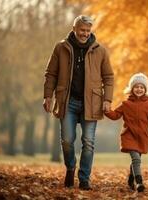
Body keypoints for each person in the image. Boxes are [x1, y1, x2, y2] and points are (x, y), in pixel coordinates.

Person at [43, 15, 114, 190]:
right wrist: (48, 96)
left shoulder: (100, 50)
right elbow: (51, 73)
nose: (85, 34)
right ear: (74, 28)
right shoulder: (61, 48)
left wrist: (107, 100)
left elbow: (109, 77)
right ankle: (70, 167)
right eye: (82, 30)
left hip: (92, 102)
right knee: (67, 140)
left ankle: (84, 179)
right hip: (68, 101)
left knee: (88, 142)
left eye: (88, 31)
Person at [104, 73, 148, 192]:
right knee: (136, 159)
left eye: (142, 87)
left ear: (145, 90)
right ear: (131, 88)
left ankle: (131, 179)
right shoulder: (126, 104)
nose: (139, 89)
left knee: (136, 160)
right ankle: (139, 182)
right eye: (136, 87)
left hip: (141, 137)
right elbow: (115, 115)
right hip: (129, 135)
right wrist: (106, 111)